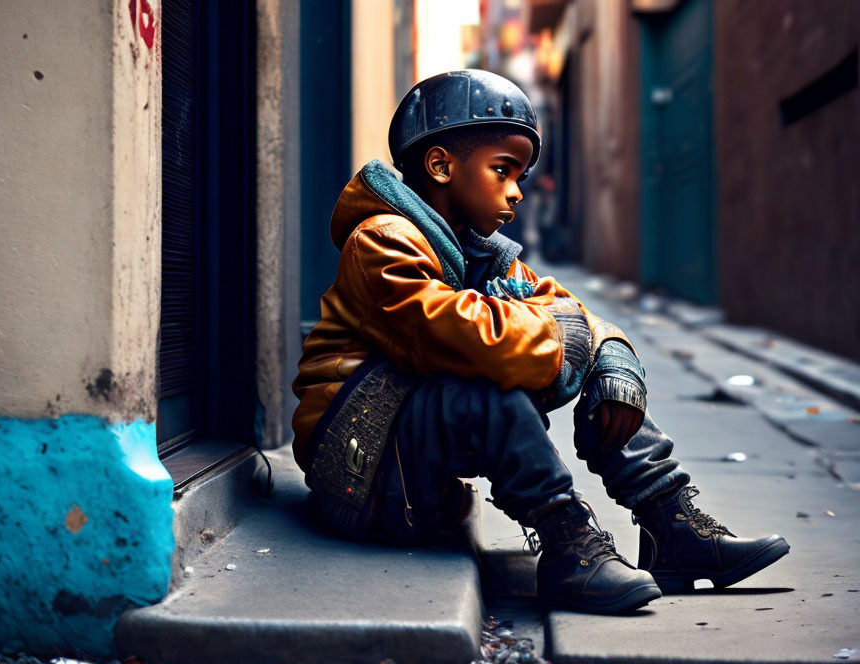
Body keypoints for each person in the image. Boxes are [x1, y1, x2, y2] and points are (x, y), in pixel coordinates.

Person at [291, 70, 789, 614]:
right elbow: (454, 335)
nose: (516, 191)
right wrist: (566, 336)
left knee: (594, 376)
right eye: (502, 171)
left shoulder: (477, 253)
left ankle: (670, 524)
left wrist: (610, 359)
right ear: (440, 166)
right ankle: (567, 543)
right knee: (490, 388)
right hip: (360, 470)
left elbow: (569, 311)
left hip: (409, 457)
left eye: (521, 175)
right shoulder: (382, 241)